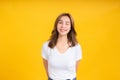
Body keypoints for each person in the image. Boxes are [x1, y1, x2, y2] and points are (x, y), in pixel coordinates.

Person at [41, 13, 82, 80]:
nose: (63, 26)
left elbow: (75, 70)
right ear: (56, 25)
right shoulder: (46, 46)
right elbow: (46, 68)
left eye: (67, 23)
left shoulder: (76, 47)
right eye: (60, 22)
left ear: (71, 27)